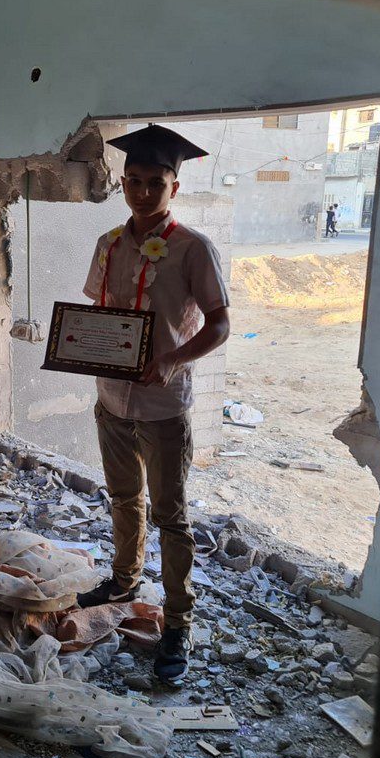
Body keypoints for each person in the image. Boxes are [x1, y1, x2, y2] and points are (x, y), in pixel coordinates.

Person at [75, 124, 230, 683]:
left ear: (174, 187)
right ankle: (123, 580)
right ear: (122, 183)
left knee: (170, 516)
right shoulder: (108, 244)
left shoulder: (194, 248)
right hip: (111, 399)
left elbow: (220, 325)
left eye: (155, 183)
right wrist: (82, 344)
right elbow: (98, 310)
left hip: (164, 407)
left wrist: (172, 359)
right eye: (133, 181)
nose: (143, 192)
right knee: (122, 497)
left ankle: (178, 622)